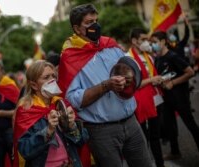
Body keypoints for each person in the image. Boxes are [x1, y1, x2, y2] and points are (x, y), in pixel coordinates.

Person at [58, 3, 152, 167]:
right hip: (101, 132)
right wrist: (106, 86)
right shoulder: (69, 57)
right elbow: (73, 100)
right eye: (89, 22)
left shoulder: (110, 45)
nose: (95, 25)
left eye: (96, 20)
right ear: (77, 28)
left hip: (131, 123)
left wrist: (129, 77)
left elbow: (130, 71)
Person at [14, 60, 88, 167]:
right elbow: (25, 150)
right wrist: (48, 131)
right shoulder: (26, 110)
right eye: (46, 77)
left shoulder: (62, 103)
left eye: (53, 76)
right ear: (34, 85)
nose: (52, 80)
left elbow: (81, 141)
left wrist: (72, 126)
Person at [151, 31, 199, 160]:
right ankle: (175, 151)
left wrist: (173, 82)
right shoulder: (157, 59)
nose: (153, 45)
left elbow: (190, 72)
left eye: (155, 42)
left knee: (191, 124)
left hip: (180, 97)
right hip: (166, 98)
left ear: (163, 41)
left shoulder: (173, 56)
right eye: (152, 43)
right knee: (170, 126)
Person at [127, 28, 165, 167]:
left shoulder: (148, 56)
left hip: (154, 99)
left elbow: (151, 76)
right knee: (142, 138)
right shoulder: (128, 59)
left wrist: (156, 80)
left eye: (146, 40)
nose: (146, 43)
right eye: (143, 39)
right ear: (134, 41)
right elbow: (132, 85)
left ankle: (160, 163)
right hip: (140, 103)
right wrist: (151, 80)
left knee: (155, 136)